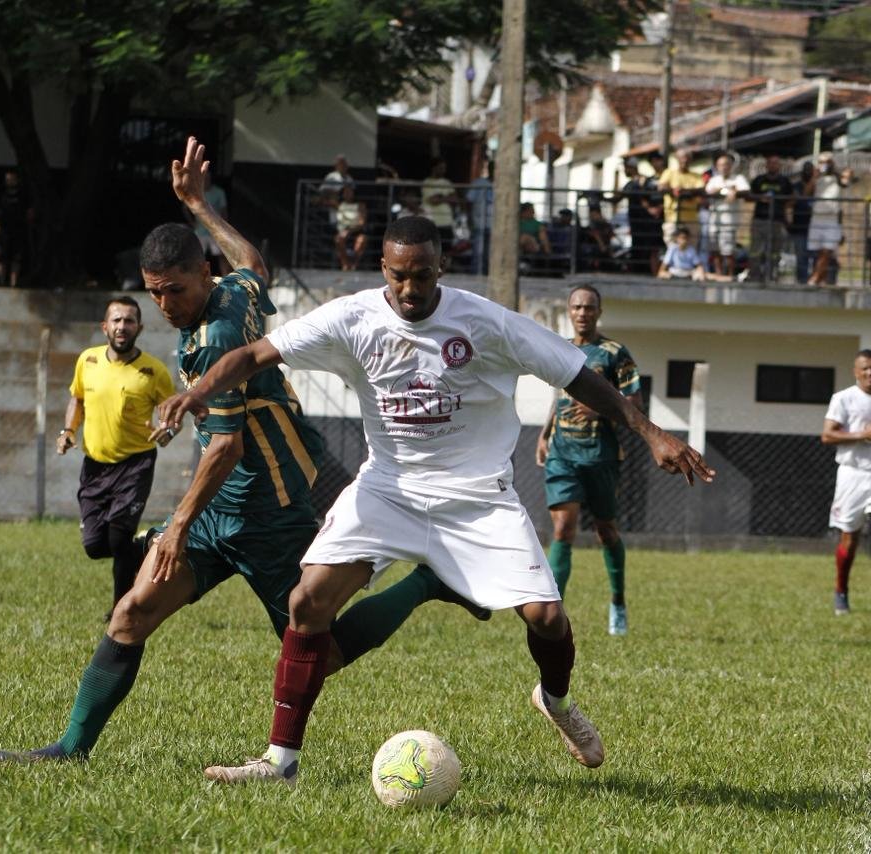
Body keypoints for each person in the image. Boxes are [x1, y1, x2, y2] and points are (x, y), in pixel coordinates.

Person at [158, 214, 714, 787]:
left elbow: (576, 374)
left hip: (477, 497)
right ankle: (280, 763)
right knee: (308, 603)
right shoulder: (351, 318)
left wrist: (652, 434)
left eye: (421, 275)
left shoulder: (486, 322)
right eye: (399, 276)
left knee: (548, 619)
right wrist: (195, 391)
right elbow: (254, 356)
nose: (409, 289)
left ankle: (554, 698)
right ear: (383, 268)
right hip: (388, 489)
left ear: (440, 267)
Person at [0, 139, 484, 765]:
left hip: (268, 508)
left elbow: (225, 446)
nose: (163, 305)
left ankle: (425, 583)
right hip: (220, 508)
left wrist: (174, 527)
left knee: (320, 654)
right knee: (131, 614)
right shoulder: (234, 289)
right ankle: (71, 747)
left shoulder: (216, 333)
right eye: (153, 293)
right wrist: (199, 204)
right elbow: (254, 260)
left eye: (172, 290)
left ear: (202, 275)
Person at [57, 295, 175, 614]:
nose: (123, 326)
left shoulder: (153, 370)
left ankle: (120, 608)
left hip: (136, 463)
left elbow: (173, 412)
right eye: (117, 320)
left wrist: (168, 429)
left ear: (139, 327)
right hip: (94, 465)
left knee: (118, 537)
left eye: (129, 321)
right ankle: (143, 545)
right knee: (96, 547)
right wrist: (68, 431)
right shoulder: (88, 360)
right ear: (105, 326)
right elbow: (77, 399)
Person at [536, 286, 641, 635]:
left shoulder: (614, 353)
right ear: (569, 310)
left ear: (599, 311)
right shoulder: (560, 349)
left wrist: (600, 409)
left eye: (589, 307)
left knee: (605, 530)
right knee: (563, 529)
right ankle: (554, 615)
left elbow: (634, 406)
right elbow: (560, 395)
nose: (583, 312)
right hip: (563, 454)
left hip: (600, 456)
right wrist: (545, 431)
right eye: (577, 307)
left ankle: (618, 603)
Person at [821, 350, 871, 618]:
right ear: (856, 371)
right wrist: (861, 435)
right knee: (850, 539)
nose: (870, 373)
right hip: (852, 474)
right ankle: (841, 592)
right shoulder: (843, 399)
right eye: (865, 369)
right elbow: (827, 435)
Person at [703, 153, 749, 279]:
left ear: (731, 166)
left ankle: (729, 276)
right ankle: (719, 276)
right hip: (714, 221)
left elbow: (746, 190)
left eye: (726, 164)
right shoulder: (714, 180)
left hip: (730, 222)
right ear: (717, 167)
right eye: (721, 165)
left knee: (728, 252)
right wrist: (722, 189)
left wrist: (736, 192)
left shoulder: (738, 178)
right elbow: (707, 192)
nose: (724, 167)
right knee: (715, 250)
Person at [748, 155, 793, 283]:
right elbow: (749, 196)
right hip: (759, 219)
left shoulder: (785, 181)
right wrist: (760, 198)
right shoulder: (759, 180)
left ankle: (771, 275)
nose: (773, 165)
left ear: (779, 166)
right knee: (755, 250)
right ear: (766, 165)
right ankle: (755, 276)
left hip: (777, 220)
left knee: (774, 251)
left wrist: (783, 208)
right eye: (771, 163)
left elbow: (792, 198)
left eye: (776, 163)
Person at [806, 153, 845, 287]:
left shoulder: (838, 178)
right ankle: (821, 279)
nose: (824, 165)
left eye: (827, 162)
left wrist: (836, 171)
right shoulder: (816, 178)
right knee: (819, 252)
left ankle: (814, 278)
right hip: (817, 218)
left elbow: (845, 182)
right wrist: (814, 177)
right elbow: (807, 193)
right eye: (821, 162)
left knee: (827, 251)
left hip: (832, 219)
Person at [621, 157, 663, 275]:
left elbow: (653, 199)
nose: (624, 170)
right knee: (637, 248)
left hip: (648, 225)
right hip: (634, 224)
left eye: (626, 167)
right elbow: (617, 197)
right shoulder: (629, 184)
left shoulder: (646, 181)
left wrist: (652, 209)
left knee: (648, 249)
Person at [657, 148, 704, 250]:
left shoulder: (696, 176)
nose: (685, 160)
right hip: (672, 219)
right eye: (682, 157)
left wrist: (684, 192)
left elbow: (701, 190)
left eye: (687, 158)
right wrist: (673, 190)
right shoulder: (669, 172)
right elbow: (661, 187)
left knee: (691, 251)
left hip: (691, 220)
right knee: (672, 250)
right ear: (677, 159)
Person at [186, 170, 231, 276]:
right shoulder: (196, 192)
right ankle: (196, 279)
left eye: (208, 178)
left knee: (222, 257)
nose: (206, 180)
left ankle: (227, 280)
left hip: (215, 231)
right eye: (204, 178)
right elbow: (185, 207)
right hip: (200, 231)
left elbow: (224, 211)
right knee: (197, 257)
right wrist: (192, 223)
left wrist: (224, 228)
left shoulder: (219, 192)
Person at [0, 170, 32, 287]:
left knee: (17, 258)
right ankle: (1, 282)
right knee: (2, 258)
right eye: (7, 179)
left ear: (17, 180)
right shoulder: (0, 194)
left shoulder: (23, 195)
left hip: (19, 231)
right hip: (4, 231)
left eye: (12, 179)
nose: (10, 181)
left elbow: (30, 212)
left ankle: (13, 284)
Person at [421, 158, 459, 253]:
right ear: (434, 168)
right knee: (432, 251)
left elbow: (455, 199)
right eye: (441, 168)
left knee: (447, 251)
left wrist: (440, 197)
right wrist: (446, 197)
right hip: (432, 223)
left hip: (447, 222)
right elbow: (432, 200)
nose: (443, 170)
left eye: (444, 168)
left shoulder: (447, 182)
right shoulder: (427, 182)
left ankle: (444, 268)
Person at [466, 160, 494, 275]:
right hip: (479, 223)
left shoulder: (505, 185)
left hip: (496, 226)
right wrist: (470, 219)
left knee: (491, 254)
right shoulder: (479, 183)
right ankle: (476, 275)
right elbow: (469, 201)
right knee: (478, 253)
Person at [790, 161, 815, 284]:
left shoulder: (818, 186)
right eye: (806, 170)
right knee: (801, 257)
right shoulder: (797, 186)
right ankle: (802, 281)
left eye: (811, 170)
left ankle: (813, 280)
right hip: (799, 226)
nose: (808, 173)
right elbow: (803, 195)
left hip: (815, 227)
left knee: (815, 256)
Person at [333, 184, 367, 271]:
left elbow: (361, 223)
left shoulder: (360, 205)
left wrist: (349, 230)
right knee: (338, 239)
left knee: (362, 239)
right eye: (345, 192)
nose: (347, 194)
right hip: (342, 232)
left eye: (349, 192)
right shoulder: (339, 205)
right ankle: (345, 264)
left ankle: (354, 264)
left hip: (356, 231)